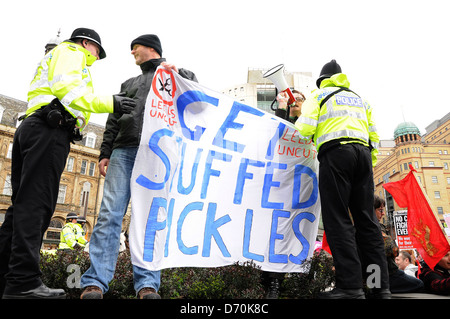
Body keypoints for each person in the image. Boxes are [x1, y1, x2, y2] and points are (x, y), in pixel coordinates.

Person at [0, 27, 136, 299]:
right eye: (97, 51)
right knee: (37, 205)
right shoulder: (72, 52)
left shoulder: (57, 57)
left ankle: (6, 277)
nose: (96, 58)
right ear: (87, 43)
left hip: (33, 126)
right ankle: (23, 282)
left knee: (22, 207)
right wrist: (112, 102)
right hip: (49, 129)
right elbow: (69, 90)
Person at [80, 34, 197, 300]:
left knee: (149, 219)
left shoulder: (175, 76)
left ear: (151, 49)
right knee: (109, 215)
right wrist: (104, 152)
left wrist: (181, 73)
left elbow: (197, 97)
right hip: (124, 150)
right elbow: (113, 118)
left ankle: (147, 285)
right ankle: (95, 283)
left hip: (156, 153)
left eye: (136, 47)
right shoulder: (128, 83)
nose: (132, 52)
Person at [295, 60, 389, 299]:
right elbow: (374, 136)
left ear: (322, 80)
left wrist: (298, 113)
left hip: (336, 157)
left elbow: (304, 130)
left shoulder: (318, 96)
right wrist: (369, 164)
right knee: (368, 224)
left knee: (338, 220)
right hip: (364, 157)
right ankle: (378, 287)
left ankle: (350, 287)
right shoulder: (361, 99)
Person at [373, 195, 423, 294]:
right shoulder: (375, 227)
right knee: (419, 284)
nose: (383, 214)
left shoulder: (358, 227)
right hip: (388, 274)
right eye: (380, 210)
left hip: (374, 273)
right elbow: (392, 250)